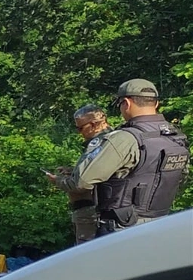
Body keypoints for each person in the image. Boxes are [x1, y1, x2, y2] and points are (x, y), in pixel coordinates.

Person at [47, 79, 189, 235]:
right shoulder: (175, 136)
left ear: (126, 103)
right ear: (155, 104)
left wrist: (59, 181)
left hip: (122, 227)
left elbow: (82, 182)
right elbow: (179, 179)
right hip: (162, 222)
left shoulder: (124, 138)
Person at [47, 105, 111, 244]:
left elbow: (82, 183)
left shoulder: (102, 143)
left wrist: (57, 181)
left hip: (93, 209)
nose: (79, 133)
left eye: (80, 128)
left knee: (87, 252)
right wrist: (73, 170)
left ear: (94, 125)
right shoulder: (108, 142)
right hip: (94, 208)